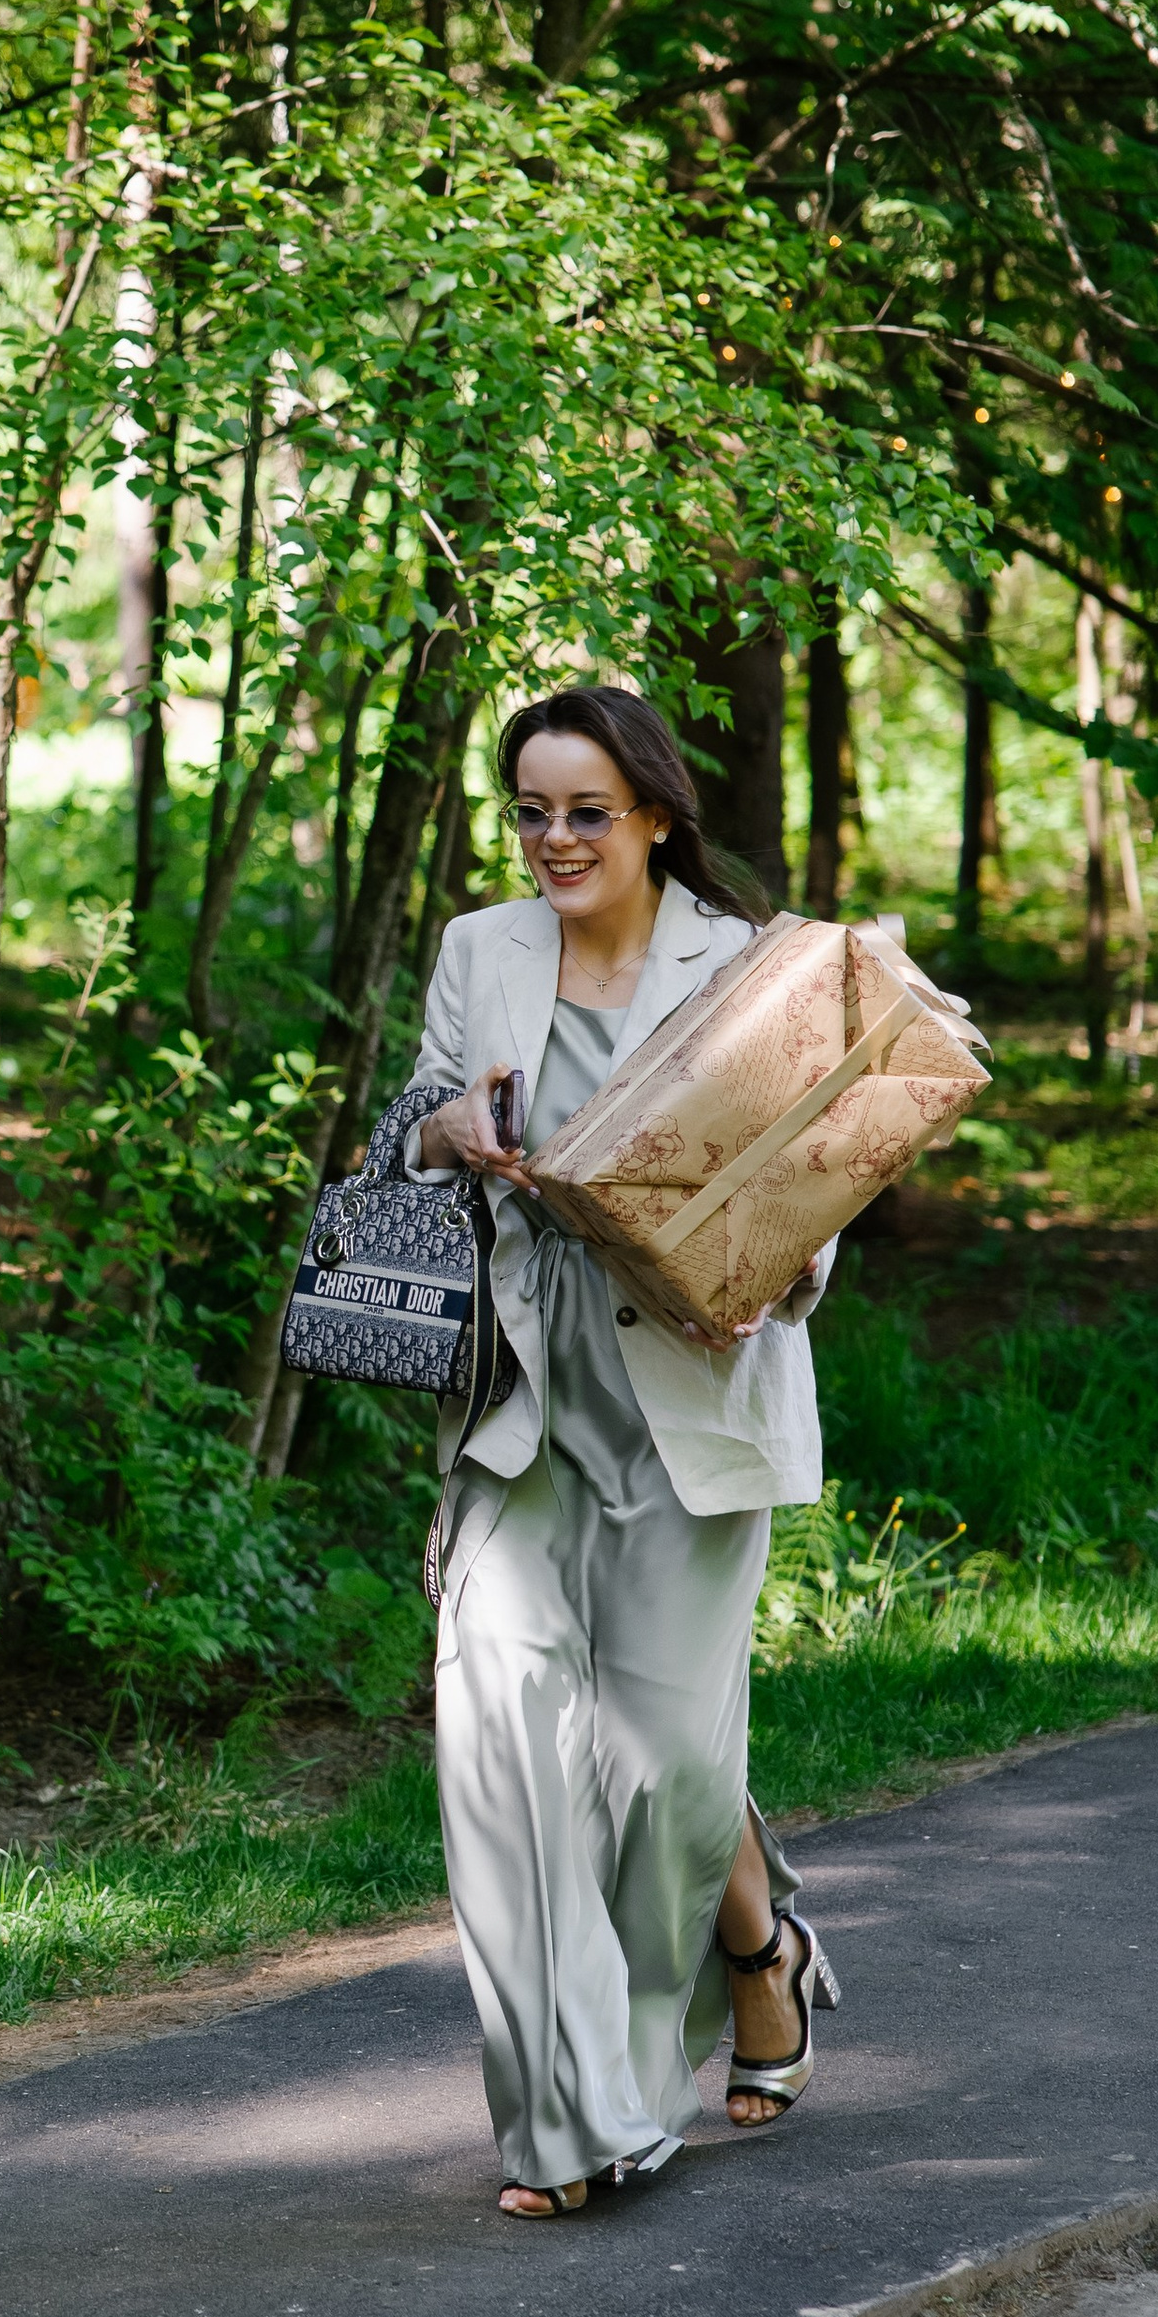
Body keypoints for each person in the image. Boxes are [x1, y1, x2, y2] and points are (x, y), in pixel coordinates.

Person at [384, 682, 841, 2219]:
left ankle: (752, 1941)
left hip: (694, 1404)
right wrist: (445, 1134)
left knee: (665, 1773)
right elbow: (409, 1139)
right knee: (501, 1762)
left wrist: (776, 1275)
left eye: (586, 809)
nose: (555, 838)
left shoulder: (747, 967)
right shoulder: (477, 954)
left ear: (653, 813)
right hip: (521, 1409)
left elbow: (816, 1178)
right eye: (530, 809)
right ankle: (580, 2128)